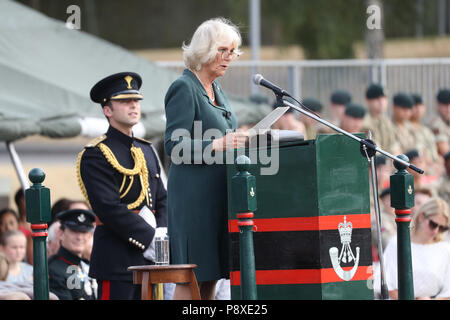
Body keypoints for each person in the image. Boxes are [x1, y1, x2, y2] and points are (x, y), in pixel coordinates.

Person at [164, 17, 247, 300]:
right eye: (223, 50)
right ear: (205, 49)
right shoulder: (184, 87)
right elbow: (174, 145)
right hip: (193, 200)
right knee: (193, 278)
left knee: (210, 277)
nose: (229, 58)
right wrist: (219, 143)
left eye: (232, 51)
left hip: (216, 196)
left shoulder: (216, 88)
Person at [77, 71, 167, 300]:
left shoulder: (146, 149)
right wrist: (149, 239)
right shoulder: (96, 154)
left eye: (136, 100)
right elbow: (108, 207)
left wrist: (162, 235)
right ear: (107, 110)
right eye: (124, 101)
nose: (133, 105)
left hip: (152, 257)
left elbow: (162, 199)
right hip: (118, 259)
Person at [384, 197, 450, 299]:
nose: (436, 231)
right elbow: (387, 283)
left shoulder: (445, 249)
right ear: (421, 217)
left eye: (442, 228)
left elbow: (448, 292)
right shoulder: (396, 243)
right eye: (433, 224)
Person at [48, 209, 97, 300]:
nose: (79, 237)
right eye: (74, 231)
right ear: (61, 233)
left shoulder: (88, 265)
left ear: (90, 235)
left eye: (83, 232)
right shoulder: (53, 268)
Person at [362, 84, 400, 155]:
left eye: (384, 98)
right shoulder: (366, 123)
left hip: (389, 162)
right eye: (377, 99)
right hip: (376, 163)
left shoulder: (386, 121)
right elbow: (375, 150)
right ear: (368, 101)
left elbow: (394, 145)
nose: (381, 102)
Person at [410, 94, 441, 176]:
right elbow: (420, 152)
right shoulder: (408, 128)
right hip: (422, 167)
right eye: (415, 106)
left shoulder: (426, 129)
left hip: (434, 165)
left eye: (421, 106)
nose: (418, 109)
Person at [430, 89, 450, 157]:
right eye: (445, 105)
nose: (448, 109)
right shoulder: (436, 124)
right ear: (438, 105)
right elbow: (445, 151)